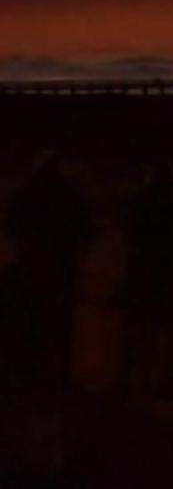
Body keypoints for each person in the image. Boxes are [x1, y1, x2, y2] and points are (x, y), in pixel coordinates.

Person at [3, 152, 93, 388]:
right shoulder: (69, 196)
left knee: (25, 319)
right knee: (60, 322)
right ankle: (57, 373)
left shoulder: (26, 195)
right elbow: (86, 230)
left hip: (31, 265)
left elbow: (11, 227)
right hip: (60, 269)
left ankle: (24, 370)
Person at [118, 161, 173, 399]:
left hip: (146, 271)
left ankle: (129, 382)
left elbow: (128, 234)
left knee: (138, 329)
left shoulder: (140, 202)